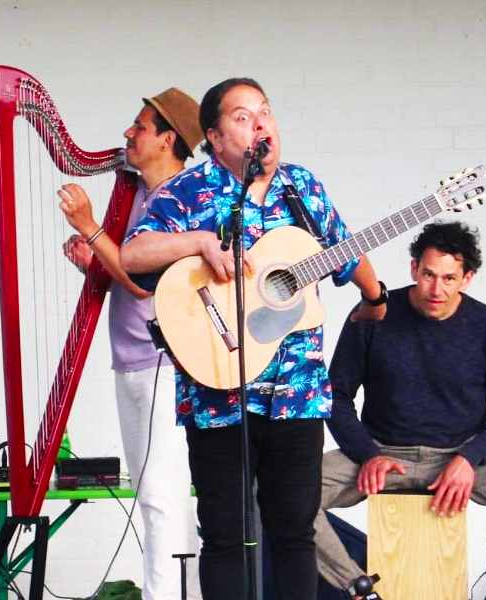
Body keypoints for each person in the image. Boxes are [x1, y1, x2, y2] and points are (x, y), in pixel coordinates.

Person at [118, 78, 387, 600]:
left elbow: (345, 249)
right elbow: (132, 255)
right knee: (222, 536)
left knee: (294, 533)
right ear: (215, 139)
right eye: (243, 117)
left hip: (298, 394)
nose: (261, 123)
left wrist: (376, 299)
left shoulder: (301, 187)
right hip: (217, 390)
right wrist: (198, 242)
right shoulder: (188, 191)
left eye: (265, 112)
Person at [315, 220, 486, 599]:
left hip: (460, 459)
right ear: (413, 268)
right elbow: (336, 397)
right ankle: (358, 586)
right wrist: (368, 454)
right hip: (380, 455)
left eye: (449, 278)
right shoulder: (374, 313)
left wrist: (469, 458)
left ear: (467, 278)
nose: (437, 289)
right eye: (429, 275)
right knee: (274, 492)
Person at [57, 88, 204, 600]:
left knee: (160, 498)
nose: (128, 134)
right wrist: (95, 257)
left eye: (139, 126)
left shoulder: (181, 196)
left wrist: (90, 228)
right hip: (134, 359)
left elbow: (148, 282)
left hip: (162, 361)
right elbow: (127, 269)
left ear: (168, 139)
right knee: (157, 497)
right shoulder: (139, 193)